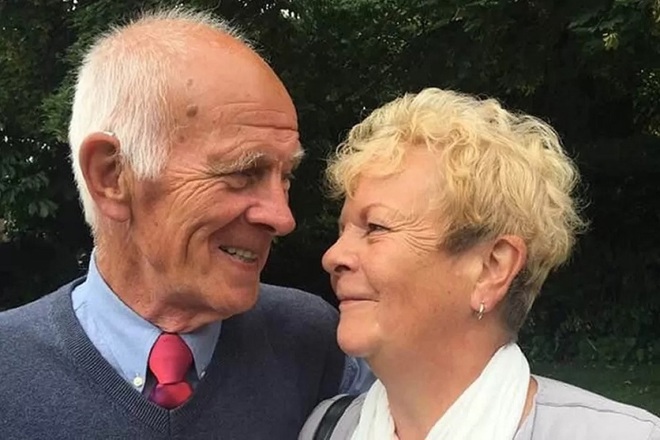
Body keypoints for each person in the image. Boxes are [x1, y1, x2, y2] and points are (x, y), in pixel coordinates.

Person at [0, 7, 371, 439]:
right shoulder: (10, 370)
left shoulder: (311, 342)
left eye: (285, 176)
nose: (281, 217)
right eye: (243, 172)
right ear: (112, 177)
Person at [300, 88, 660, 440]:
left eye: (376, 227)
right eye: (343, 230)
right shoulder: (327, 428)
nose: (333, 256)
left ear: (492, 268)